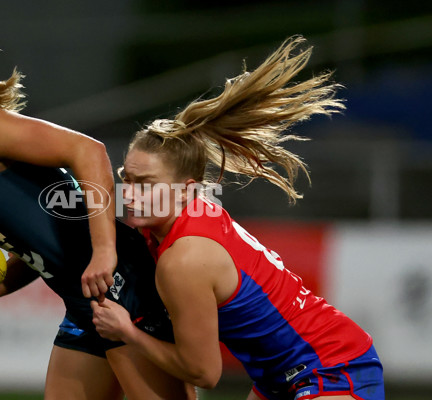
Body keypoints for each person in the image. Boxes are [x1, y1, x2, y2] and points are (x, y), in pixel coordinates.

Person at [0, 26, 195, 400]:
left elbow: (89, 151)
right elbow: (34, 252)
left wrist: (104, 251)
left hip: (124, 289)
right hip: (84, 307)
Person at [91, 36, 385, 400]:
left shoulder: (183, 259)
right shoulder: (186, 217)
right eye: (127, 179)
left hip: (331, 367)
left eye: (146, 184)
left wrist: (127, 333)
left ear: (187, 189)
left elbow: (204, 372)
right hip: (278, 376)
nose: (130, 194)